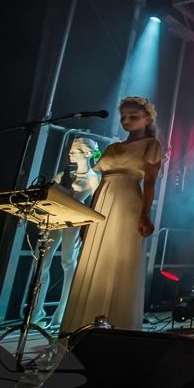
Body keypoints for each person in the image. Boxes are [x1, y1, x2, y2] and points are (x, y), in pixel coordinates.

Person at [60, 97, 165, 335]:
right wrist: (88, 217)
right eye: (124, 116)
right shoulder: (112, 148)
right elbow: (98, 183)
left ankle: (118, 324)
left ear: (147, 119)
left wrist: (145, 215)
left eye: (133, 116)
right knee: (94, 261)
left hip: (128, 203)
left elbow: (150, 183)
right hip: (102, 202)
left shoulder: (151, 144)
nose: (126, 121)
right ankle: (83, 324)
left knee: (119, 258)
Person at [31, 137, 101, 328]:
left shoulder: (93, 178)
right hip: (54, 219)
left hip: (74, 221)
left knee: (68, 263)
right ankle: (37, 310)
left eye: (75, 151)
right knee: (41, 262)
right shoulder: (63, 174)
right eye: (71, 150)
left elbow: (97, 203)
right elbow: (47, 193)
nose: (71, 153)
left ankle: (62, 312)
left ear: (87, 153)